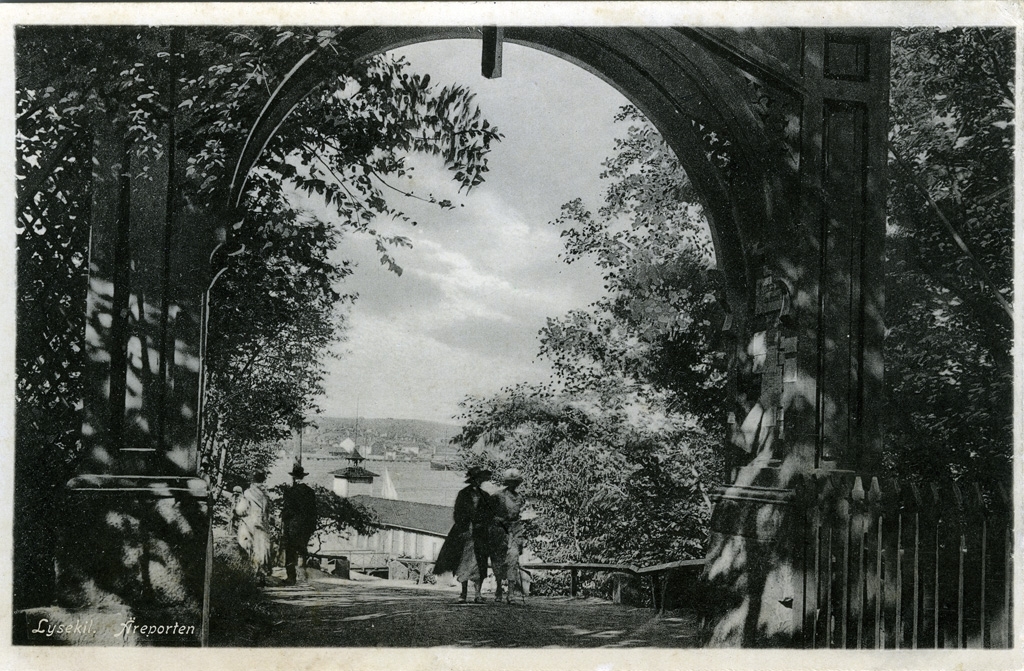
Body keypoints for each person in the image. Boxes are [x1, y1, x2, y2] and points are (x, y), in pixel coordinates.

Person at [433, 466, 493, 603]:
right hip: (464, 532)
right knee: (463, 562)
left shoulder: (485, 496)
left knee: (480, 563)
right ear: (471, 480)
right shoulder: (463, 494)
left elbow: (489, 515)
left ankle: (478, 594)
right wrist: (464, 526)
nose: (478, 481)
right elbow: (457, 513)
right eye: (475, 479)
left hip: (480, 534)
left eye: (480, 479)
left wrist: (482, 524)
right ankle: (463, 593)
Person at [490, 468, 526, 603]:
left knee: (513, 559)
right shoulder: (497, 496)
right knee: (498, 561)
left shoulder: (520, 498)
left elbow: (519, 515)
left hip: (515, 531)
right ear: (506, 482)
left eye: (515, 482)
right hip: (499, 531)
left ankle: (511, 593)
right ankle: (499, 587)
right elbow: (489, 513)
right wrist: (497, 520)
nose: (513, 484)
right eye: (510, 482)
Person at [281, 462, 317, 586]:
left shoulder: (290, 492)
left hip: (293, 526)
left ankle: (291, 577)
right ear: (303, 476)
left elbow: (287, 511)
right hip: (306, 526)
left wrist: (285, 523)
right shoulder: (310, 492)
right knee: (302, 549)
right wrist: (312, 527)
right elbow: (313, 511)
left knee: (290, 551)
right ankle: (304, 576)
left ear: (293, 477)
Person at [233, 471, 273, 583]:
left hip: (249, 523)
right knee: (261, 548)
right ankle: (261, 575)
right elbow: (268, 512)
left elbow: (241, 509)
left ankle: (249, 575)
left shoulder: (248, 493)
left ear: (252, 480)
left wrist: (236, 511)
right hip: (262, 524)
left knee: (247, 547)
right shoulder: (265, 495)